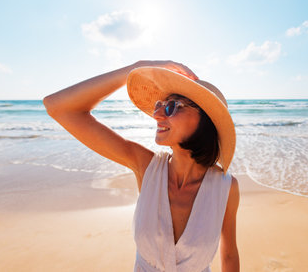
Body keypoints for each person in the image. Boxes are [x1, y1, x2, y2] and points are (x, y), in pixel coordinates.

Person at [43, 60, 240, 272]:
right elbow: (58, 107)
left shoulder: (226, 188)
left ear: (206, 119)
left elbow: (228, 254)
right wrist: (136, 68)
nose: (157, 115)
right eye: (159, 105)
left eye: (171, 106)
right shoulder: (146, 167)